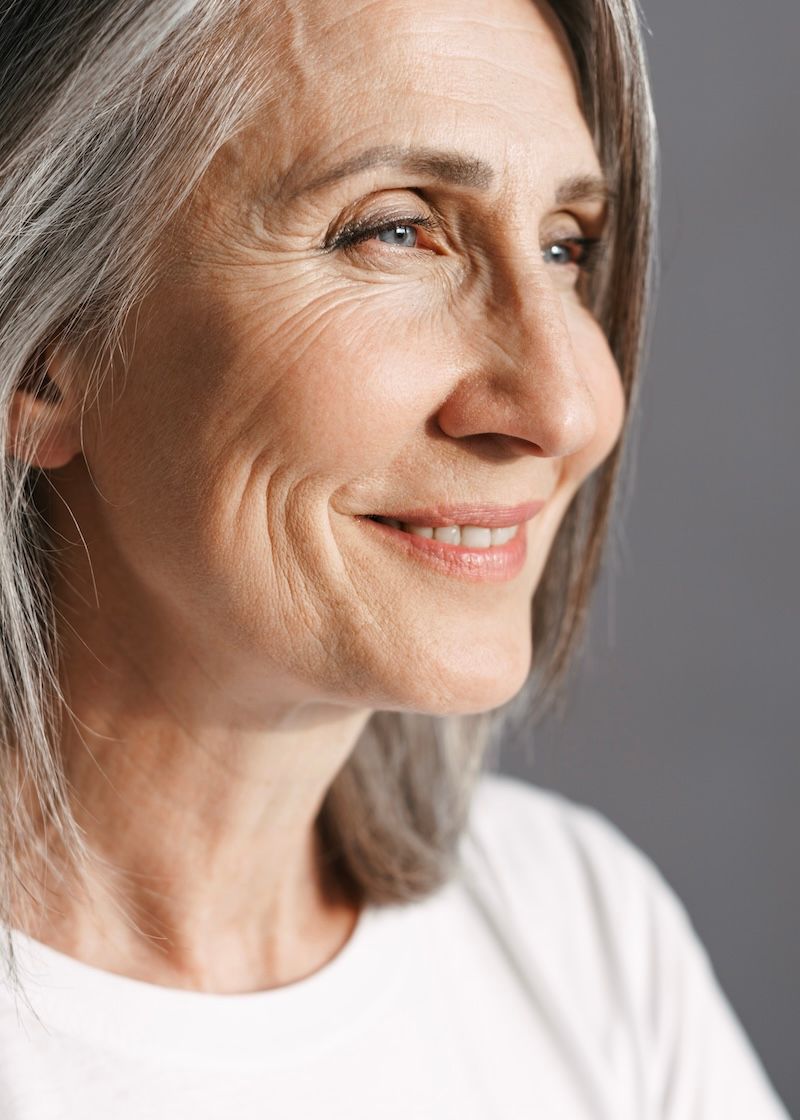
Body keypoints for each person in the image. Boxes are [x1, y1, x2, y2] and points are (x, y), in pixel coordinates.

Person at [0, 0, 791, 1116]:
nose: (564, 403)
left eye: (566, 246)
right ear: (42, 357)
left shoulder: (582, 940)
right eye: (394, 229)